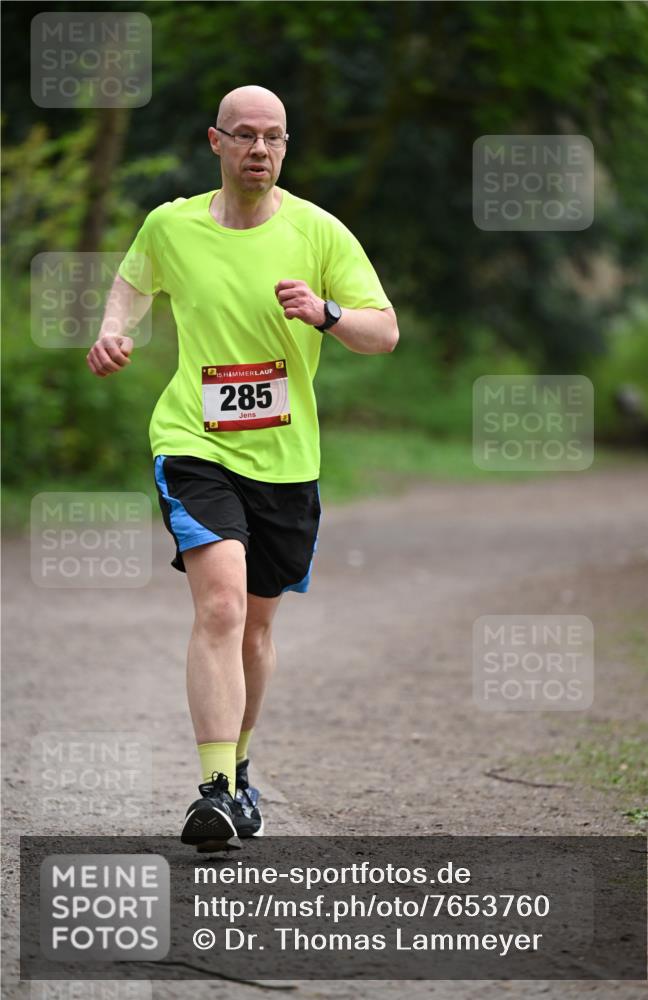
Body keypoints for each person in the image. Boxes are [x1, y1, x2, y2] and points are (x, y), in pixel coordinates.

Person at [86, 85, 398, 852]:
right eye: (245, 135)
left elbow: (383, 331)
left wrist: (325, 313)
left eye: (274, 137)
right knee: (220, 607)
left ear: (285, 148)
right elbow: (133, 277)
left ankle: (242, 770)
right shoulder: (173, 224)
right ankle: (215, 790)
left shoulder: (319, 232)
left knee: (256, 627)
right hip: (194, 441)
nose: (260, 149)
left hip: (287, 459)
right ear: (215, 142)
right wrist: (113, 330)